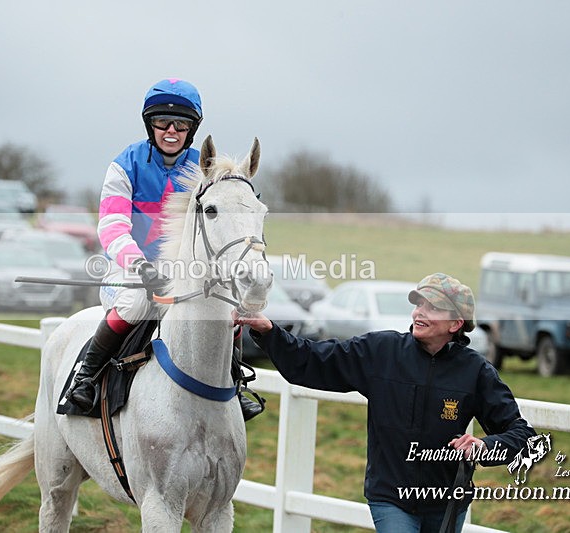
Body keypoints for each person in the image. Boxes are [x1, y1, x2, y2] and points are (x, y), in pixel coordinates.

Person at [233, 273, 536, 532]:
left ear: (456, 323)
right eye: (418, 304)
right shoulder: (382, 352)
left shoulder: (476, 371)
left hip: (447, 502)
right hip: (391, 497)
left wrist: (484, 448)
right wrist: (270, 332)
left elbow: (523, 436)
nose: (419, 312)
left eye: (432, 307)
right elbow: (315, 361)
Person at [66, 78, 264, 421]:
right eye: (162, 122)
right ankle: (86, 377)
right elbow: (112, 228)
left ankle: (236, 382)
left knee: (223, 305)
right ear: (150, 124)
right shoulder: (124, 164)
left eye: (182, 124)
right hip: (130, 269)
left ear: (192, 129)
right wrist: (143, 269)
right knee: (138, 302)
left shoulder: (203, 168)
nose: (171, 130)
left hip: (184, 271)